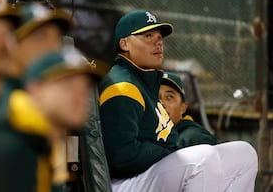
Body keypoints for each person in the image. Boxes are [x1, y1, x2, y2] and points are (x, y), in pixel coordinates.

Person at [98, 10, 258, 191]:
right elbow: (121, 156)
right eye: (148, 36)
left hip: (149, 172)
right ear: (124, 44)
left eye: (159, 37)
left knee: (244, 154)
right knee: (202, 158)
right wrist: (170, 151)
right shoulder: (122, 86)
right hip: (123, 183)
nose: (158, 42)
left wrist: (172, 151)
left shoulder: (145, 82)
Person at [0, 48, 106, 192]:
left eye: (85, 87)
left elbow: (72, 175)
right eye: (68, 86)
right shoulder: (2, 145)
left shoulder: (52, 141)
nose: (80, 96)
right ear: (35, 90)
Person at [159, 71, 217, 148]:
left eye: (169, 97)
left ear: (182, 107)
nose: (162, 103)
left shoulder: (194, 139)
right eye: (156, 97)